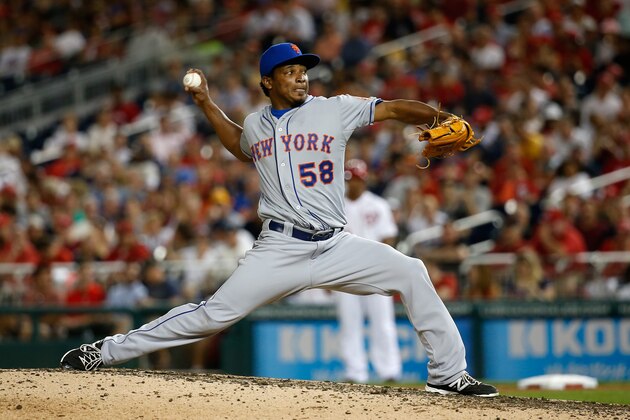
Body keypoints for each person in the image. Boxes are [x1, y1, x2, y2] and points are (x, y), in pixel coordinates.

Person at [60, 42, 498, 397]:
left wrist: (438, 116)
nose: (301, 75)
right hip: (279, 248)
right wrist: (207, 102)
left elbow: (393, 108)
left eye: (303, 69)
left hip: (335, 244)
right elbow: (238, 143)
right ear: (268, 82)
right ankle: (105, 352)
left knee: (411, 271)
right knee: (213, 315)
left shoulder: (334, 108)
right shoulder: (256, 124)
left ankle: (447, 374)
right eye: (289, 71)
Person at [334, 158, 402, 384]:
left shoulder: (378, 205)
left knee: (382, 323)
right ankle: (355, 372)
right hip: (346, 272)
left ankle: (389, 371)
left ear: (363, 180)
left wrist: (384, 266)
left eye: (354, 179)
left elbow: (389, 236)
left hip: (375, 272)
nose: (350, 184)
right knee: (349, 324)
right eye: (348, 179)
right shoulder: (334, 205)